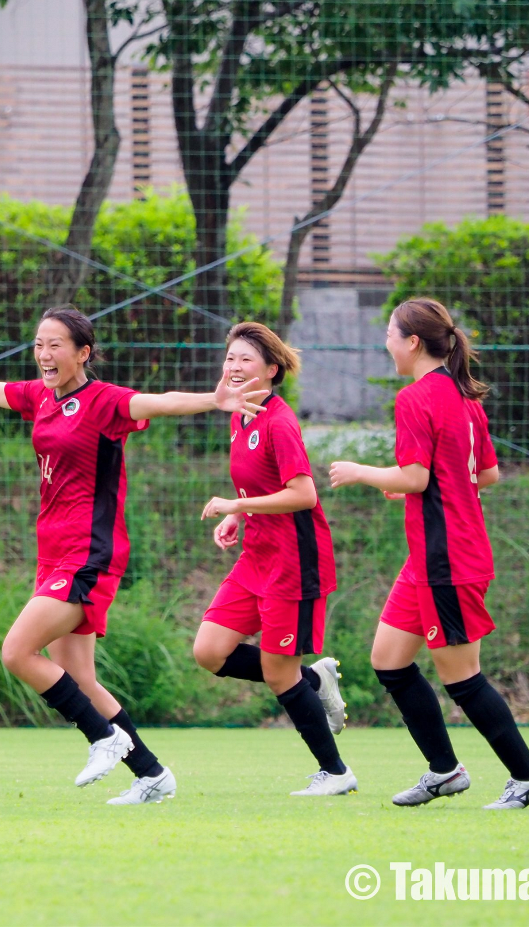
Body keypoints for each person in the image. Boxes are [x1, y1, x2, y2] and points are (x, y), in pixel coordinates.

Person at [0, 307, 267, 805]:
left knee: (16, 651)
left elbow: (156, 402)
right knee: (79, 678)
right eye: (38, 345)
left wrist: (214, 399)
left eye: (55, 345)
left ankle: (104, 737)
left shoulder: (102, 402)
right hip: (53, 552)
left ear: (83, 353)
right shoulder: (41, 396)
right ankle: (153, 775)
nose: (44, 355)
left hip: (89, 552)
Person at [329, 298, 529, 810]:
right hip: (433, 556)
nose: (385, 341)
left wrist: (361, 471)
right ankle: (445, 770)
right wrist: (419, 486)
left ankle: (528, 776)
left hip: (447, 558)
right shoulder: (464, 396)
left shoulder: (415, 397)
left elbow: (416, 476)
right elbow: (485, 474)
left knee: (462, 677)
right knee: (388, 660)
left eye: (390, 332)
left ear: (412, 342)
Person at [193, 322, 354, 796]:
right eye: (230, 359)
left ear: (272, 369)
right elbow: (259, 485)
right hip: (257, 555)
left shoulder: (280, 422)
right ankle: (314, 679)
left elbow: (303, 495)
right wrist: (239, 519)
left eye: (245, 359)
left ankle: (336, 773)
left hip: (294, 562)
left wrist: (236, 506)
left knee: (277, 672)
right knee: (209, 651)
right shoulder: (239, 415)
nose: (234, 367)